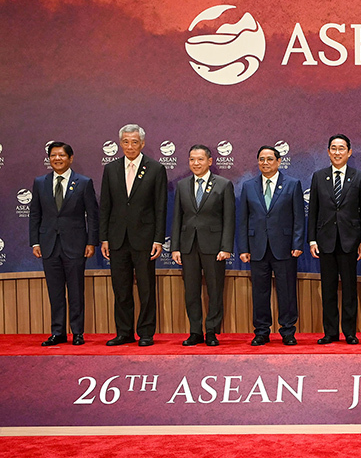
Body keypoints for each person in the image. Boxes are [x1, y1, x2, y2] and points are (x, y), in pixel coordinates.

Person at [99, 124, 168, 347]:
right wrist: (105, 238)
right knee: (121, 289)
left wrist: (158, 239)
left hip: (145, 239)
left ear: (143, 143)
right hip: (117, 239)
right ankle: (124, 332)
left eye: (134, 142)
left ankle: (146, 332)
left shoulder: (156, 169)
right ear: (121, 143)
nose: (130, 146)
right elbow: (105, 206)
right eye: (126, 142)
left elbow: (160, 207)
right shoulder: (110, 169)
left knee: (146, 289)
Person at [29, 142, 99, 346]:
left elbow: (92, 216)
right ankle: (58, 332)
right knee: (55, 291)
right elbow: (35, 214)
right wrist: (35, 241)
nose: (57, 159)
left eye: (61, 155)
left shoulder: (84, 182)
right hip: (48, 244)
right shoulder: (40, 182)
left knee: (76, 290)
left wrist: (91, 242)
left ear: (70, 158)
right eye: (53, 156)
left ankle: (77, 332)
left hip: (76, 245)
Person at [237, 146, 304, 346]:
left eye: (269, 159)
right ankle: (261, 332)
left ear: (278, 161)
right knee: (260, 292)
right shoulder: (248, 186)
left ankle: (288, 332)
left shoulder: (292, 184)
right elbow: (243, 220)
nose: (265, 163)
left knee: (287, 291)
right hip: (256, 247)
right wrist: (243, 248)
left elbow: (299, 217)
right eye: (261, 159)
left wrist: (297, 243)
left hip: (284, 247)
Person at [170, 144, 235, 346]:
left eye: (200, 159)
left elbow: (229, 219)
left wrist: (226, 247)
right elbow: (177, 219)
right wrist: (175, 247)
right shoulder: (182, 186)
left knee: (215, 290)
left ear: (210, 161)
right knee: (191, 291)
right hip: (188, 246)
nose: (195, 163)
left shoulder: (223, 185)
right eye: (191, 159)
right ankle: (195, 331)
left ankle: (212, 332)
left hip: (214, 247)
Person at [308, 134, 361, 345]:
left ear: (349, 152)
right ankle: (331, 332)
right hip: (325, 241)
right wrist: (312, 240)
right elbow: (313, 210)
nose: (337, 152)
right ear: (328, 152)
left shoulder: (359, 176)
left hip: (350, 241)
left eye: (341, 148)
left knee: (350, 289)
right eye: (333, 148)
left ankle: (350, 333)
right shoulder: (318, 176)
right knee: (328, 288)